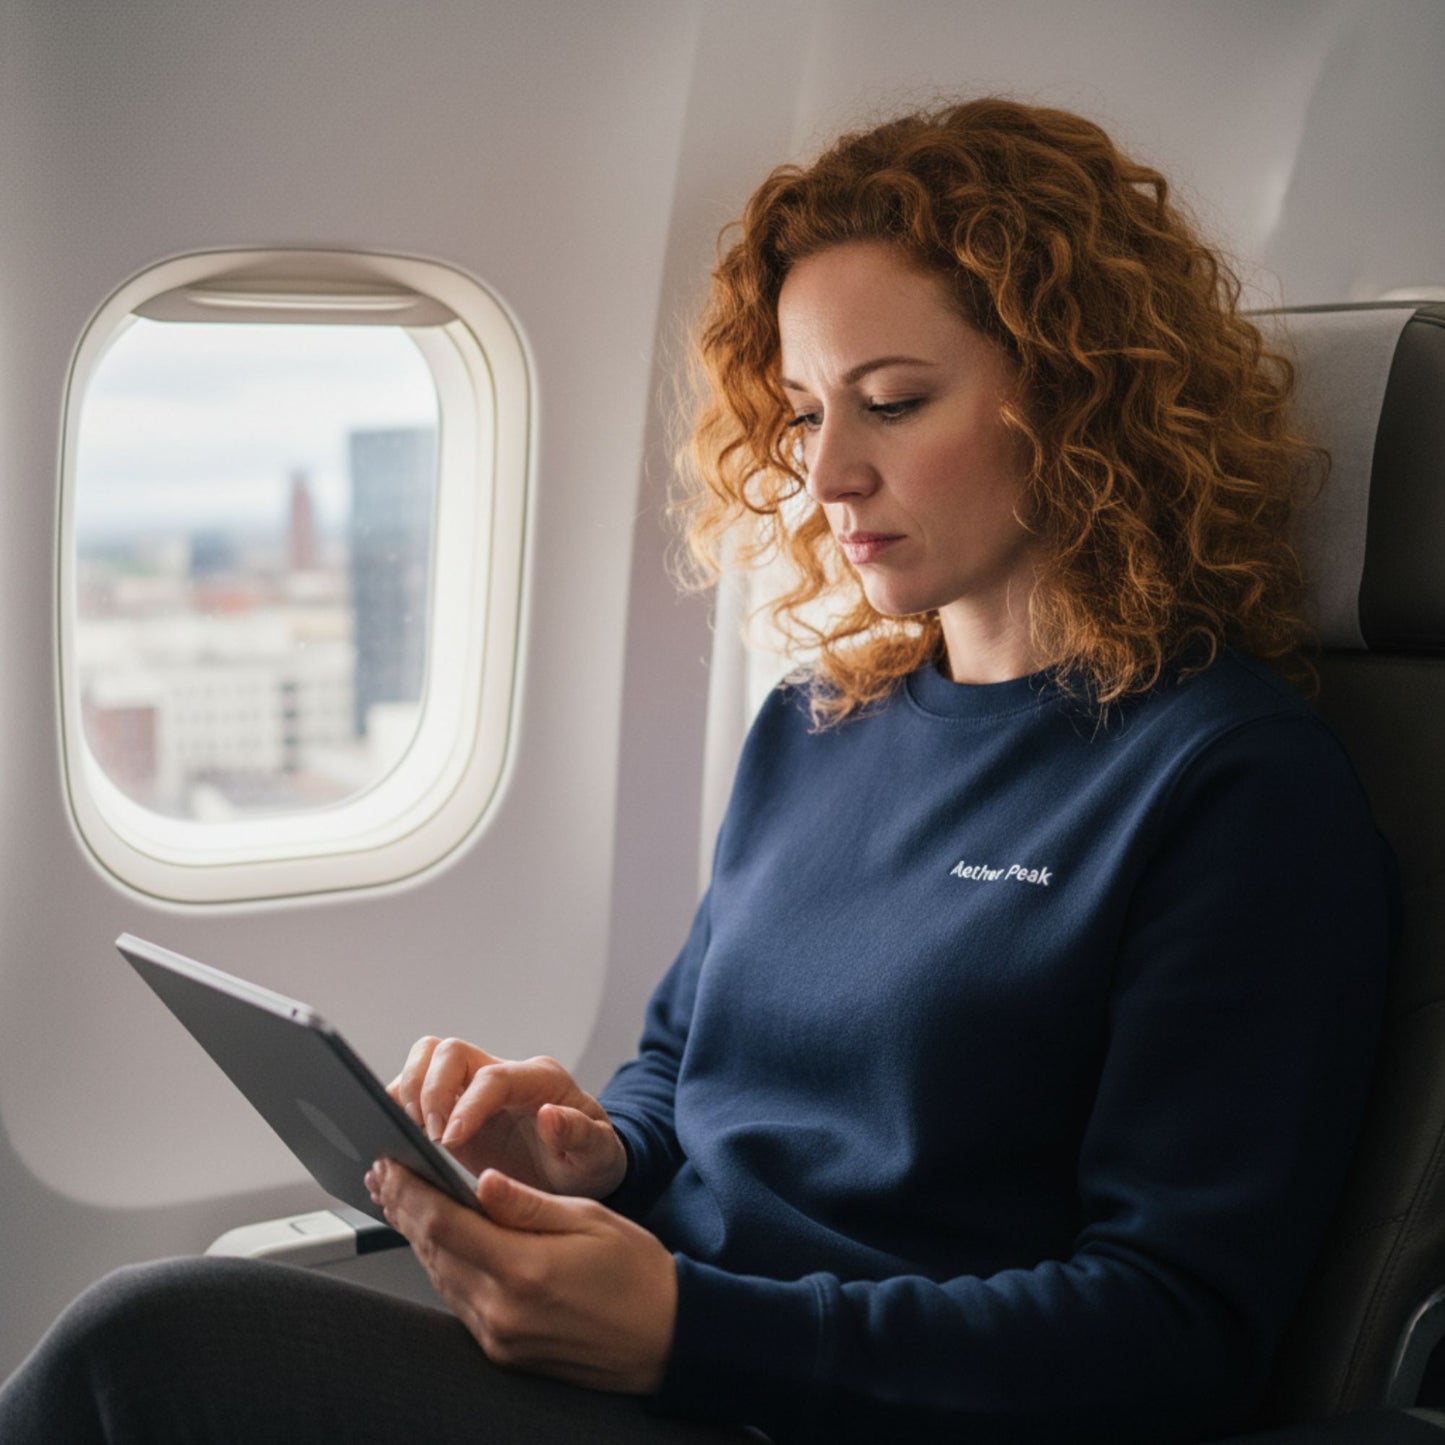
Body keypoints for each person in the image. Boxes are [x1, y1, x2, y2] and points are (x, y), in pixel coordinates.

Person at [0, 98, 1394, 1444]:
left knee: (151, 1353)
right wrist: (591, 1151)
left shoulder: (1230, 785)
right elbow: (683, 1074)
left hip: (807, 1402)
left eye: (893, 402)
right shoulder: (818, 722)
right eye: (801, 414)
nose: (828, 473)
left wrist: (689, 1329)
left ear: (1076, 399)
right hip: (676, 1369)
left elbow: (1171, 1331)